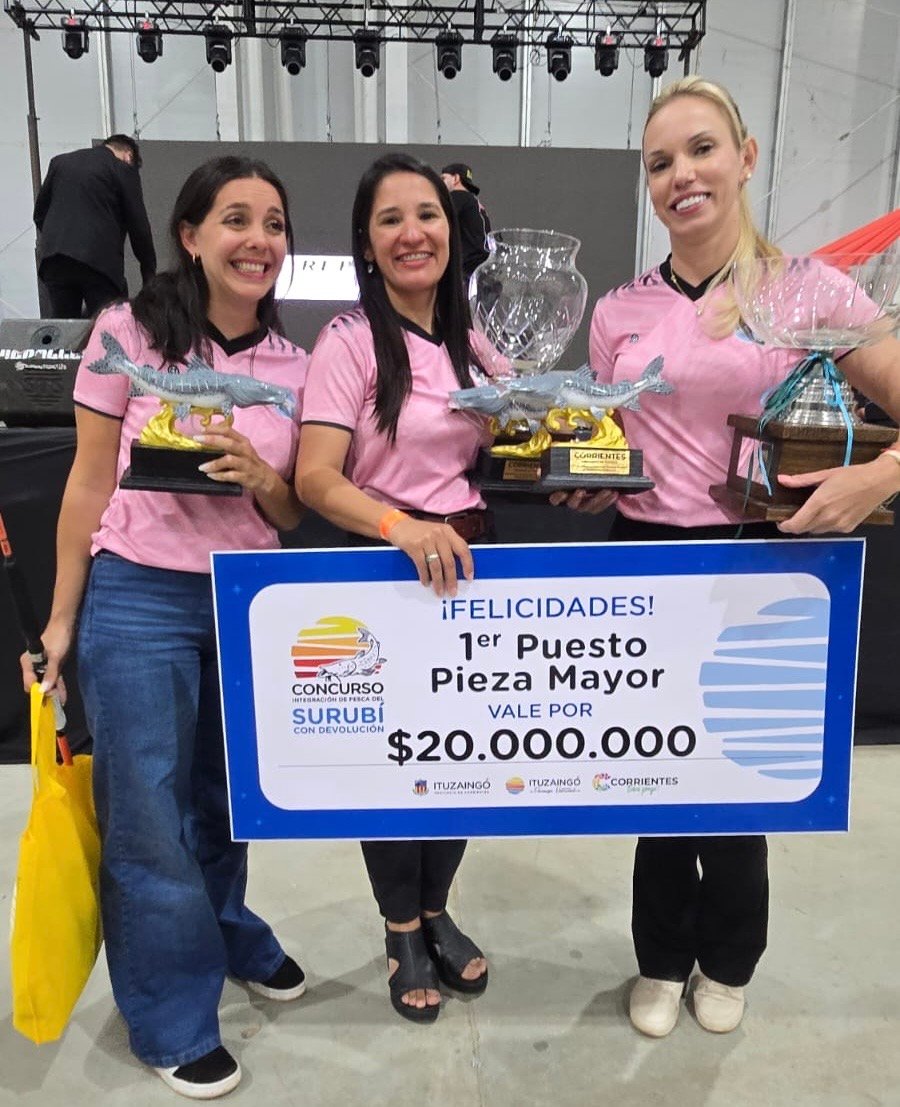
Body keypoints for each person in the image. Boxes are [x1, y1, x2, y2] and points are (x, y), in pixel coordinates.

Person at [553, 75, 900, 1039]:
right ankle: (660, 956)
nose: (682, 175)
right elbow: (614, 440)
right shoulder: (619, 309)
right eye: (660, 162)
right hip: (644, 558)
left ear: (746, 158)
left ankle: (730, 957)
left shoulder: (809, 290)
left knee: (740, 777)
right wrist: (591, 479)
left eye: (702, 149)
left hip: (762, 560)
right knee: (654, 772)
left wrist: (881, 476)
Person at [21, 156, 308, 1100]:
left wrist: (262, 476)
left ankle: (225, 930)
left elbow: (290, 514)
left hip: (245, 601)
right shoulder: (127, 332)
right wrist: (61, 619)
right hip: (139, 595)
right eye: (236, 219)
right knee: (147, 815)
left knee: (226, 801)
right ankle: (172, 1013)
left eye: (273, 223)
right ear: (189, 234)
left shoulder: (292, 365)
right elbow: (87, 481)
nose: (258, 240)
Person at [295, 152, 496, 1023]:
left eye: (428, 214)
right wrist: (399, 525)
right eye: (390, 219)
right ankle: (401, 925)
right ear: (366, 244)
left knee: (467, 755)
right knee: (393, 760)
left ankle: (438, 906)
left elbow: (515, 444)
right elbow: (314, 476)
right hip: (384, 565)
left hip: (472, 560)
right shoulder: (347, 341)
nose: (413, 232)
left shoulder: (475, 343)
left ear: (453, 232)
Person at [33, 134, 157, 318]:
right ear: (128, 155)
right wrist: (149, 274)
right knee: (109, 324)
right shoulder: (122, 167)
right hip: (99, 263)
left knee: (63, 325)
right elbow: (138, 225)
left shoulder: (60, 163)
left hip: (55, 260)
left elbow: (39, 213)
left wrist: (59, 240)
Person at [441, 162, 492, 281]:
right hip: (485, 268)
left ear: (456, 178)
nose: (440, 183)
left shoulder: (457, 196)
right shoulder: (472, 201)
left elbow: (438, 221)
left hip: (468, 271)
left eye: (443, 178)